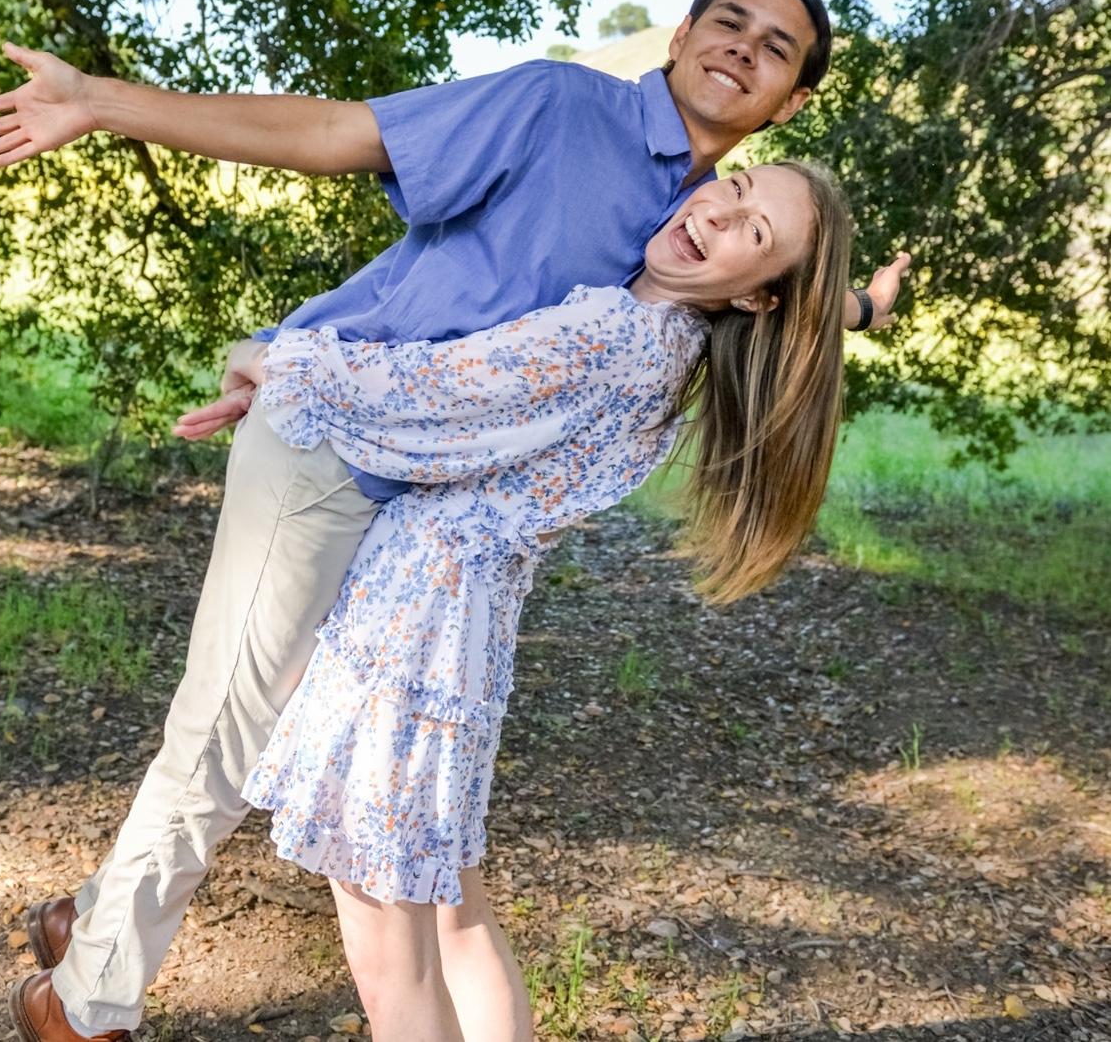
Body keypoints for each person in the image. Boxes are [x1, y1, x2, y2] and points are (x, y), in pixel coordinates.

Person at [0, 0, 910, 1041]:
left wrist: (860, 307)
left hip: (425, 528)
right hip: (333, 447)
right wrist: (101, 102)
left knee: (292, 761)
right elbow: (337, 132)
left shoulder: (703, 220)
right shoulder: (562, 111)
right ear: (682, 34)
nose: (741, 46)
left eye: (774, 47)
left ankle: (90, 925)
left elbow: (786, 283)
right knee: (227, 726)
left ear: (789, 101)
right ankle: (93, 1001)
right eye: (727, 20)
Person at [225, 158, 849, 1042]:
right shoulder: (670, 345)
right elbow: (810, 304)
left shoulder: (615, 336)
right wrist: (864, 305)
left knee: (390, 941)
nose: (718, 214)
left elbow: (427, 395)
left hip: (413, 631)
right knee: (451, 911)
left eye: (753, 231)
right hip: (457, 628)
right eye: (737, 186)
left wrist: (268, 357)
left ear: (758, 297)